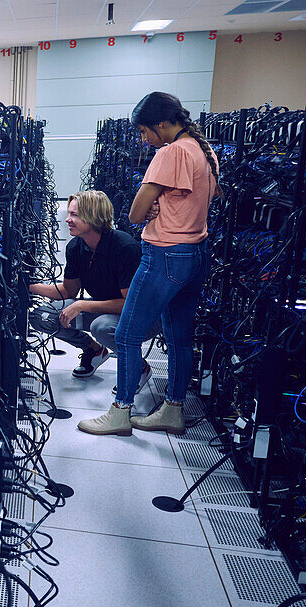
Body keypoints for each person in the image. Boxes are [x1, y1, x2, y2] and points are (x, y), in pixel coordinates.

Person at [78, 92, 219, 437]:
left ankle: (120, 413)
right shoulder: (203, 150)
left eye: (144, 132)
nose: (144, 140)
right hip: (195, 253)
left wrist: (152, 207)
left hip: (165, 255)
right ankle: (172, 410)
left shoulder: (170, 153)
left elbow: (135, 213)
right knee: (180, 338)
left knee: (126, 335)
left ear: (161, 124)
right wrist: (162, 204)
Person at [28, 190, 156, 394]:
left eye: (74, 215)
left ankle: (138, 367)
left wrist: (81, 305)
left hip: (141, 315)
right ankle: (94, 350)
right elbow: (69, 290)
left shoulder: (124, 248)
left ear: (94, 217)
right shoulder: (76, 247)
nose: (67, 220)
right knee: (42, 316)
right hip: (105, 308)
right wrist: (27, 286)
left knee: (102, 327)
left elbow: (130, 303)